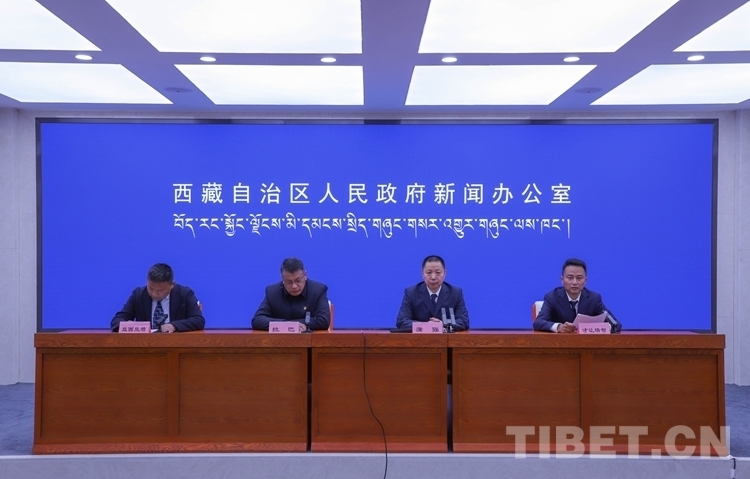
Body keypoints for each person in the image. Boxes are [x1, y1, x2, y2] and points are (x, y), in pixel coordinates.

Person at [111, 263, 204, 333]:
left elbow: (198, 320)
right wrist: (126, 325)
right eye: (151, 288)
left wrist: (174, 326)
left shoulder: (185, 294)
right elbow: (117, 320)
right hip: (145, 345)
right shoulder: (138, 295)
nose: (154, 294)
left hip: (176, 344)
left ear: (172, 285)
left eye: (160, 290)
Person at [534, 258, 614, 333]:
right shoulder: (552, 297)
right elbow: (538, 322)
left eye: (579, 278)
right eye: (570, 278)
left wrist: (601, 328)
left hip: (586, 342)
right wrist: (559, 327)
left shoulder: (594, 299)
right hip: (560, 341)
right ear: (562, 280)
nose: (574, 282)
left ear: (585, 280)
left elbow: (615, 324)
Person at [252, 257, 330, 331]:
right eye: (288, 282)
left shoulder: (318, 290)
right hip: (279, 340)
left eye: (298, 280)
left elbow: (323, 321)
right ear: (282, 278)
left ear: (305, 275)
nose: (294, 286)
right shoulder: (272, 292)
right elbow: (257, 320)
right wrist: (287, 325)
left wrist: (292, 325)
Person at [396, 255, 469, 331]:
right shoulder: (411, 293)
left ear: (445, 273)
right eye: (429, 272)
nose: (433, 277)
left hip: (446, 337)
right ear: (422, 273)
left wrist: (443, 325)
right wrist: (426, 326)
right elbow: (402, 322)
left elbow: (463, 321)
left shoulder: (455, 293)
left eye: (438, 272)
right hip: (419, 338)